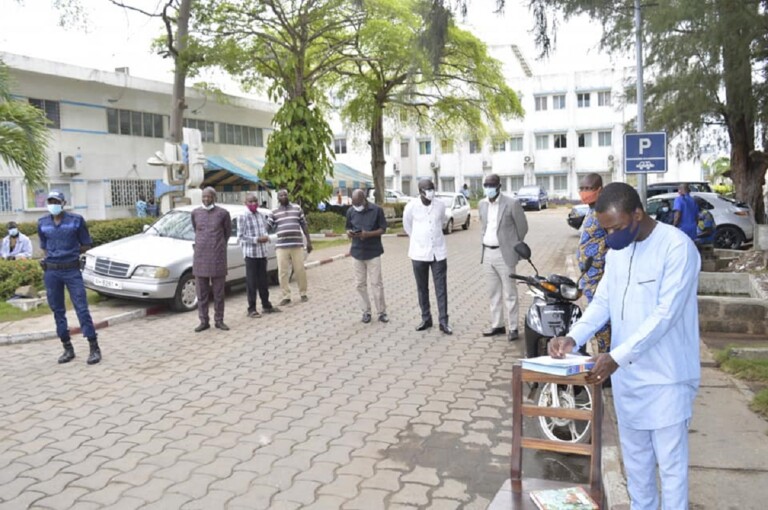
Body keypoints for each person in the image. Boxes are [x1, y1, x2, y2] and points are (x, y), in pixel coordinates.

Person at [549, 182, 700, 510]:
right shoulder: (619, 250)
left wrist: (615, 357)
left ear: (638, 214)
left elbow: (664, 316)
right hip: (628, 383)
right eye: (606, 229)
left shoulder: (677, 248)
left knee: (671, 472)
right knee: (638, 469)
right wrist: (573, 336)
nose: (611, 236)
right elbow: (603, 301)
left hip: (667, 380)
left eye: (616, 227)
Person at [38, 191, 102, 365]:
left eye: (56, 201)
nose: (53, 204)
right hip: (52, 272)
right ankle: (67, 347)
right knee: (57, 310)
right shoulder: (42, 222)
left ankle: (93, 347)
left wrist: (69, 254)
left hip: (71, 270)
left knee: (81, 308)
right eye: (50, 201)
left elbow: (86, 244)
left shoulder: (76, 220)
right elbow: (44, 246)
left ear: (64, 203)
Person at [478, 173, 528, 342]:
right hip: (487, 253)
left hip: (504, 253)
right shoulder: (482, 204)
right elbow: (484, 226)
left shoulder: (511, 203)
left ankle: (513, 327)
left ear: (499, 186)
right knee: (493, 292)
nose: (489, 188)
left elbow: (522, 227)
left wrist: (513, 245)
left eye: (491, 185)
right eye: (486, 185)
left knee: (510, 293)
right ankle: (497, 325)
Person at [403, 178, 452, 335]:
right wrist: (418, 240)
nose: (431, 192)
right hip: (418, 253)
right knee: (422, 288)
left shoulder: (440, 205)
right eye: (428, 189)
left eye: (432, 188)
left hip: (438, 252)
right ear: (421, 191)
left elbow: (442, 220)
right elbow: (407, 226)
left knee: (441, 288)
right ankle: (426, 318)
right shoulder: (411, 207)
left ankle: (443, 321)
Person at [576, 173, 611, 354]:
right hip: (588, 277)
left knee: (601, 321)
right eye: (582, 188)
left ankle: (607, 362)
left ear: (600, 190)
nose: (584, 192)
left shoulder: (604, 212)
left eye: (589, 188)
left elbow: (613, 241)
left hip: (600, 277)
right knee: (595, 320)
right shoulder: (591, 210)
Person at [191, 187, 232, 332]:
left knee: (219, 293)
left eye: (209, 197)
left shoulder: (223, 213)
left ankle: (219, 320)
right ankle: (204, 321)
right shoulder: (195, 213)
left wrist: (218, 246)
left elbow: (227, 233)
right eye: (204, 196)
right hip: (200, 257)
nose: (206, 199)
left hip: (218, 258)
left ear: (214, 197)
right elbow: (196, 229)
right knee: (201, 293)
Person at [346, 189, 388, 324]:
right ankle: (366, 311)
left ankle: (381, 312)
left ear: (364, 199)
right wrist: (350, 233)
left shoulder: (376, 210)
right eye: (354, 203)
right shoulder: (351, 211)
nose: (356, 206)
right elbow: (347, 227)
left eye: (358, 203)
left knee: (376, 283)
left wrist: (368, 234)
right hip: (357, 252)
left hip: (373, 252)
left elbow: (383, 229)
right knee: (360, 284)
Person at [238, 192, 280, 318]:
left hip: (262, 253)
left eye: (255, 201)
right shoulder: (243, 216)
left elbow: (264, 231)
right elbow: (241, 237)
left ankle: (266, 305)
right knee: (251, 282)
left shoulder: (261, 215)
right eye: (250, 202)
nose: (253, 204)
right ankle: (251, 309)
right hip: (251, 254)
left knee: (263, 281)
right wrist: (257, 239)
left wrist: (266, 238)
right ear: (245, 203)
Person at [270, 189, 313, 305]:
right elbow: (268, 226)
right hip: (281, 246)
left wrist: (308, 241)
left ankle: (303, 293)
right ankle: (286, 296)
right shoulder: (274, 212)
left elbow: (304, 224)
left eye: (285, 194)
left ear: (288, 196)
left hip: (297, 244)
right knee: (283, 272)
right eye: (281, 195)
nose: (283, 196)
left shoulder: (297, 208)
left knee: (300, 270)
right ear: (278, 198)